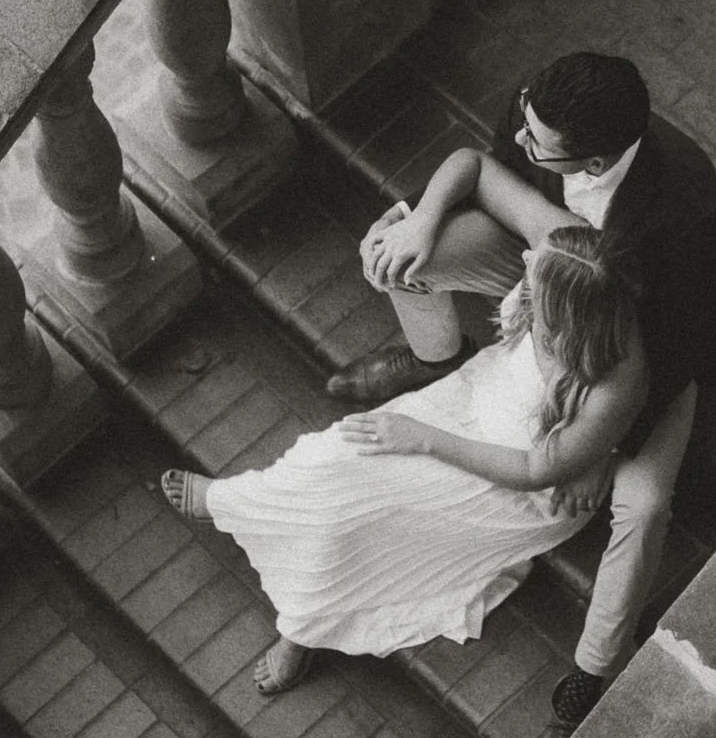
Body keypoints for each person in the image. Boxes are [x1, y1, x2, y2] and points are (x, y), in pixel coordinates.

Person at [325, 53, 716, 738]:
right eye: (523, 125)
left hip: (643, 351)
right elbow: (487, 172)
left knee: (643, 509)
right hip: (542, 284)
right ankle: (435, 355)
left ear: (594, 157)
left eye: (537, 144)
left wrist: (601, 446)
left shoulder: (686, 210)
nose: (521, 140)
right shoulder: (539, 113)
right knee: (397, 254)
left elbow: (681, 339)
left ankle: (593, 669)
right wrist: (423, 220)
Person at [161, 180, 646, 696]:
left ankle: (300, 627)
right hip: (470, 398)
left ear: (565, 318)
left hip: (515, 483)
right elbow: (472, 164)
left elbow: (533, 473)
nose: (524, 260)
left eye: (534, 277)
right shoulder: (562, 249)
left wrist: (422, 438)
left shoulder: (612, 384)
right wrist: (423, 219)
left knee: (353, 522)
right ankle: (237, 500)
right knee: (332, 456)